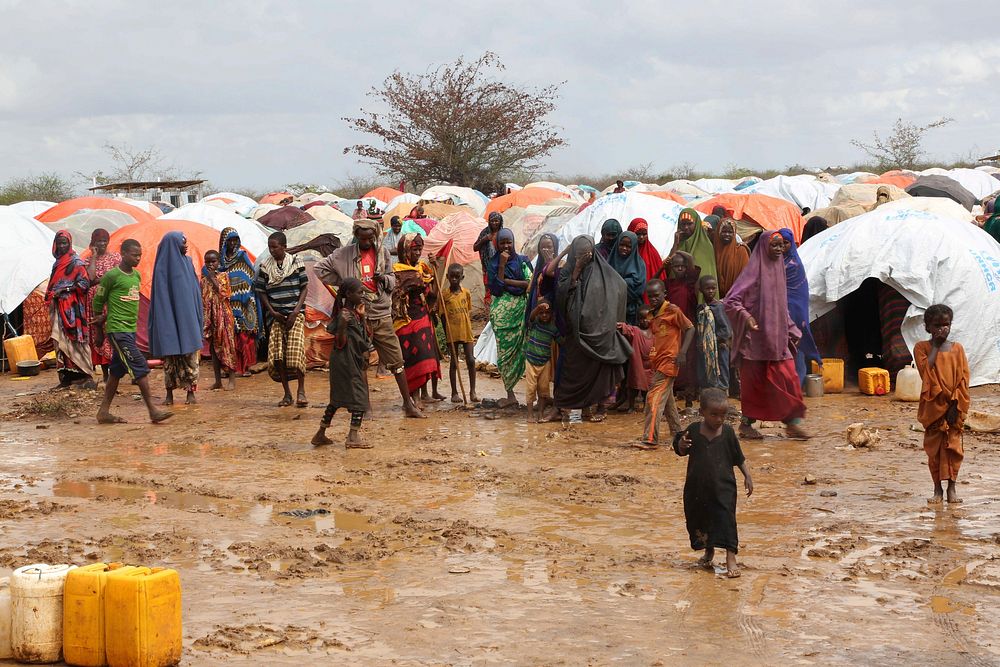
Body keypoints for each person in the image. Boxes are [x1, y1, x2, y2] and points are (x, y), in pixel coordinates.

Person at [315, 220, 424, 418]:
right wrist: (346, 283)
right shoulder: (343, 254)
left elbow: (393, 278)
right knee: (361, 361)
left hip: (380, 311)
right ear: (356, 236)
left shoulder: (382, 253)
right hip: (357, 315)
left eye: (369, 238)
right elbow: (319, 269)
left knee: (396, 359)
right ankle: (365, 406)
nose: (366, 242)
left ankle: (408, 404)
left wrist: (384, 279)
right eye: (362, 238)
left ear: (374, 236)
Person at [723, 231, 809, 440]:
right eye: (775, 246)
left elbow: (780, 305)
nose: (779, 249)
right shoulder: (753, 272)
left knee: (789, 379)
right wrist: (747, 317)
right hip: (756, 341)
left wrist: (791, 329)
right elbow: (731, 300)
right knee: (755, 386)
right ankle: (746, 424)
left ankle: (792, 423)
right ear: (764, 247)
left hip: (777, 340)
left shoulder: (780, 269)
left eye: (781, 245)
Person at [673, 388, 753, 578]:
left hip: (723, 487)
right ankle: (708, 551)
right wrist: (681, 446)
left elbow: (738, 457)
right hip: (697, 488)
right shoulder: (693, 430)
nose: (719, 419)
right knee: (701, 518)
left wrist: (747, 476)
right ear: (702, 413)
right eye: (714, 414)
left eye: (723, 415)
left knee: (726, 520)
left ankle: (730, 558)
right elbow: (680, 447)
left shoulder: (727, 433)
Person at [93, 239, 172, 424]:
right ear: (123, 254)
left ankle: (103, 411)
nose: (138, 258)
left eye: (140, 255)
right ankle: (153, 411)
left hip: (130, 330)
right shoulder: (111, 276)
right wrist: (99, 329)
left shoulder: (136, 276)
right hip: (118, 331)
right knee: (140, 368)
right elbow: (98, 302)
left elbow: (122, 302)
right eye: (134, 254)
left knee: (116, 372)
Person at [554, 236, 631, 422]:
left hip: (600, 332)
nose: (583, 258)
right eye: (579, 255)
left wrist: (611, 319)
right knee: (574, 371)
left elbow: (620, 287)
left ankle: (599, 408)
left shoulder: (604, 272)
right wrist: (577, 269)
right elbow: (561, 295)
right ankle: (575, 408)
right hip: (576, 333)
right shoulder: (568, 270)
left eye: (586, 255)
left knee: (601, 373)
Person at [914, 304, 970, 504]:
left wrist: (956, 405)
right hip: (933, 407)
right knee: (935, 451)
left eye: (946, 325)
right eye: (937, 325)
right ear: (928, 327)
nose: (942, 329)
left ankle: (952, 489)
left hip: (954, 406)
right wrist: (936, 346)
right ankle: (937, 489)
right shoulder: (922, 347)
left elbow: (963, 379)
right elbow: (924, 371)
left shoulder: (958, 348)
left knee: (954, 449)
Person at [312, 278, 372, 449]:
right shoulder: (344, 316)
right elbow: (339, 342)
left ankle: (320, 434)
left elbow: (363, 337)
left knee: (336, 399)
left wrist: (363, 318)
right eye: (359, 292)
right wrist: (343, 326)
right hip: (346, 361)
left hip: (347, 360)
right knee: (360, 397)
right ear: (348, 294)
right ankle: (353, 436)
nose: (363, 295)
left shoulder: (354, 314)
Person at [149, 231, 204, 406]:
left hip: (187, 317)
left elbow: (194, 291)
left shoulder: (188, 263)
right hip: (169, 319)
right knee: (170, 360)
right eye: (183, 242)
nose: (186, 245)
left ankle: (190, 393)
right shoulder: (161, 267)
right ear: (173, 244)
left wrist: (197, 315)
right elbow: (160, 298)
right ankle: (169, 395)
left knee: (190, 358)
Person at [637, 279, 693, 448]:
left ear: (664, 294)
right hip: (658, 362)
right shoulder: (652, 314)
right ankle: (678, 433)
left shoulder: (673, 310)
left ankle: (650, 439)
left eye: (656, 295)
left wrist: (682, 352)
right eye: (650, 296)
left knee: (653, 398)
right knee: (667, 400)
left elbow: (690, 328)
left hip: (669, 362)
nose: (653, 299)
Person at [255, 231, 308, 408]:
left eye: (275, 247)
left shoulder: (295, 262)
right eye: (270, 247)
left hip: (296, 315)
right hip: (276, 317)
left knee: (296, 353)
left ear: (284, 247)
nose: (271, 250)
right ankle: (287, 394)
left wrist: (295, 311)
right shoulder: (265, 266)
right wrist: (272, 311)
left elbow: (304, 288)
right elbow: (261, 291)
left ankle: (301, 391)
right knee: (278, 357)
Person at [392, 233, 442, 405]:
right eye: (414, 249)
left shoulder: (422, 269)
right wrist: (426, 279)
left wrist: (435, 268)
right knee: (413, 358)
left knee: (426, 356)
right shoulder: (399, 271)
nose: (418, 252)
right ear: (405, 250)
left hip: (423, 317)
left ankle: (424, 394)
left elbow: (433, 294)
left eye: (420, 249)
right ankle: (413, 397)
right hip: (406, 321)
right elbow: (411, 287)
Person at [487, 228, 532, 407]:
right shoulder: (494, 263)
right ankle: (510, 394)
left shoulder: (523, 261)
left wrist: (508, 281)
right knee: (505, 355)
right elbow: (496, 290)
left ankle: (534, 395)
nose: (506, 245)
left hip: (522, 313)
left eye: (509, 242)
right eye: (502, 242)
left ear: (514, 242)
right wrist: (502, 266)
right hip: (502, 318)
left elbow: (530, 284)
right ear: (497, 245)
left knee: (526, 351)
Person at [45, 230, 94, 387]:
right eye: (59, 243)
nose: (62, 246)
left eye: (64, 243)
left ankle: (85, 376)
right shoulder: (57, 264)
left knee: (75, 342)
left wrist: (64, 290)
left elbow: (84, 284)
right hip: (59, 309)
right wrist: (51, 294)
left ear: (70, 244)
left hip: (73, 310)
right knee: (60, 342)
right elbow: (53, 284)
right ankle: (66, 378)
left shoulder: (76, 262)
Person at [778, 229, 821, 385]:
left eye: (786, 243)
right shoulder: (777, 261)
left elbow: (798, 292)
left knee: (797, 342)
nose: (782, 246)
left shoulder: (794, 264)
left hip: (795, 310)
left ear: (792, 244)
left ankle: (798, 382)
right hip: (780, 309)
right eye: (779, 243)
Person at [218, 228, 259, 377]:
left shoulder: (243, 256)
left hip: (244, 302)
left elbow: (251, 276)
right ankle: (230, 367)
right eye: (230, 240)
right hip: (228, 302)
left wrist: (245, 294)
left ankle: (246, 366)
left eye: (235, 239)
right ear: (224, 242)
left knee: (244, 334)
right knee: (228, 335)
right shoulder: (220, 261)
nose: (233, 243)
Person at [84, 228, 120, 382]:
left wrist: (101, 280)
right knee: (98, 335)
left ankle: (117, 372)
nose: (102, 244)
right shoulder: (87, 261)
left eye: (105, 240)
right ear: (93, 243)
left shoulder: (115, 258)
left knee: (112, 334)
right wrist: (93, 256)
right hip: (94, 304)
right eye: (99, 241)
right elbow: (90, 278)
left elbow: (117, 278)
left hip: (111, 301)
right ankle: (105, 375)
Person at [441, 263, 478, 404]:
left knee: (471, 360)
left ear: (462, 277)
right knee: (454, 362)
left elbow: (467, 311)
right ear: (447, 277)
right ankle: (454, 392)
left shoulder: (466, 293)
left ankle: (472, 391)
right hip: (452, 333)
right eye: (452, 277)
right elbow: (442, 315)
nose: (454, 279)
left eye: (457, 277)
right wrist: (446, 333)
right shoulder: (444, 295)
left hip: (466, 331)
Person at [201, 250, 237, 391]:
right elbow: (203, 300)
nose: (210, 264)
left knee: (228, 346)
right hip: (211, 318)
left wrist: (212, 278)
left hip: (224, 316)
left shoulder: (224, 276)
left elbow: (224, 293)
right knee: (213, 349)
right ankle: (217, 381)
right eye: (207, 262)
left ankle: (232, 380)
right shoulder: (203, 281)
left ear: (218, 262)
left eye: (213, 261)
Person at [524, 298, 560, 421]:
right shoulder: (535, 323)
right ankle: (529, 414)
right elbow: (531, 316)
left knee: (544, 389)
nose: (544, 315)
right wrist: (538, 308)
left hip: (545, 362)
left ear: (552, 314)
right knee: (530, 388)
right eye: (541, 313)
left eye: (547, 313)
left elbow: (561, 341)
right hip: (531, 361)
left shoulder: (553, 329)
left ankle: (540, 413)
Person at [696, 276, 732, 393]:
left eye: (713, 288)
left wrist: (715, 339)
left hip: (719, 345)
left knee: (721, 368)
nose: (711, 291)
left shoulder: (719, 307)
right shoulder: (701, 308)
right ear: (701, 290)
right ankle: (709, 391)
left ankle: (722, 391)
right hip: (706, 347)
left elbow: (726, 328)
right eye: (707, 288)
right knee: (705, 367)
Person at [671, 208, 717, 300]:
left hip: (698, 294)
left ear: (696, 224)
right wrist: (676, 243)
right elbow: (670, 265)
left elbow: (705, 275)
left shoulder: (705, 245)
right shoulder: (680, 243)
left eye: (689, 224)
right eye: (683, 224)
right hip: (680, 295)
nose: (686, 227)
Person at [616, 304, 654, 413]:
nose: (644, 321)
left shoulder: (654, 331)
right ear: (638, 320)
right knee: (633, 385)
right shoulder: (635, 330)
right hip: (638, 364)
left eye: (647, 318)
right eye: (641, 318)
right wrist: (618, 325)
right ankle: (631, 406)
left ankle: (646, 406)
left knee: (647, 388)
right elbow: (626, 328)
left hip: (650, 365)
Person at [607, 230, 646, 325]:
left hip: (630, 312)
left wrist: (619, 284)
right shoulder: (610, 261)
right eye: (622, 245)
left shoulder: (639, 265)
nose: (624, 248)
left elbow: (638, 289)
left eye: (629, 246)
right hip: (609, 308)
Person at [712, 218, 750, 297]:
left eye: (730, 232)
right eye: (724, 231)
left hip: (734, 298)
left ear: (734, 233)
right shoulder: (712, 250)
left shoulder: (741, 251)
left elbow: (745, 279)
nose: (727, 234)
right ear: (718, 232)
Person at [473, 212, 504, 309]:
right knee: (488, 288)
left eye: (497, 221)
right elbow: (475, 247)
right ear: (489, 222)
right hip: (487, 266)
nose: (494, 223)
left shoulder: (503, 233)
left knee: (500, 286)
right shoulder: (485, 233)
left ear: (500, 222)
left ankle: (500, 307)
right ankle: (489, 310)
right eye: (492, 221)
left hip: (501, 266)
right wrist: (485, 239)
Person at [627, 218, 663, 300]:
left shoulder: (652, 253)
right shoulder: (625, 251)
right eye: (638, 234)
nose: (641, 237)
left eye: (644, 234)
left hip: (649, 298)